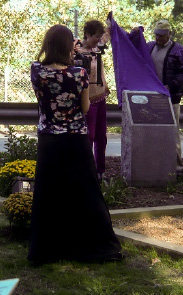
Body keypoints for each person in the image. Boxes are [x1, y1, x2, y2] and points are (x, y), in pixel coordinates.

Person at [28, 25, 123, 265]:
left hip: (49, 139)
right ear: (69, 46)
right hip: (76, 139)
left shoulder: (37, 70)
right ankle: (96, 247)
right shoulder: (79, 73)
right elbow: (85, 108)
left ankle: (45, 250)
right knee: (85, 191)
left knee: (48, 194)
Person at [147, 20, 183, 169]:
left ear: (169, 34)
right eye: (156, 35)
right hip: (151, 98)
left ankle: (176, 167)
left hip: (171, 98)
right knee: (152, 133)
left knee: (172, 133)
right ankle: (156, 165)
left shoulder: (178, 50)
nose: (158, 38)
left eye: (161, 35)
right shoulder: (150, 47)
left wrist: (170, 85)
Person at [76, 20, 111, 181]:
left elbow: (107, 36)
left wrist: (110, 23)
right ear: (87, 35)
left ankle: (100, 170)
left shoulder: (97, 48)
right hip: (88, 99)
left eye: (99, 36)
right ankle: (86, 170)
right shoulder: (78, 52)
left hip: (101, 97)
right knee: (89, 135)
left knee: (101, 136)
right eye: (95, 36)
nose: (98, 39)